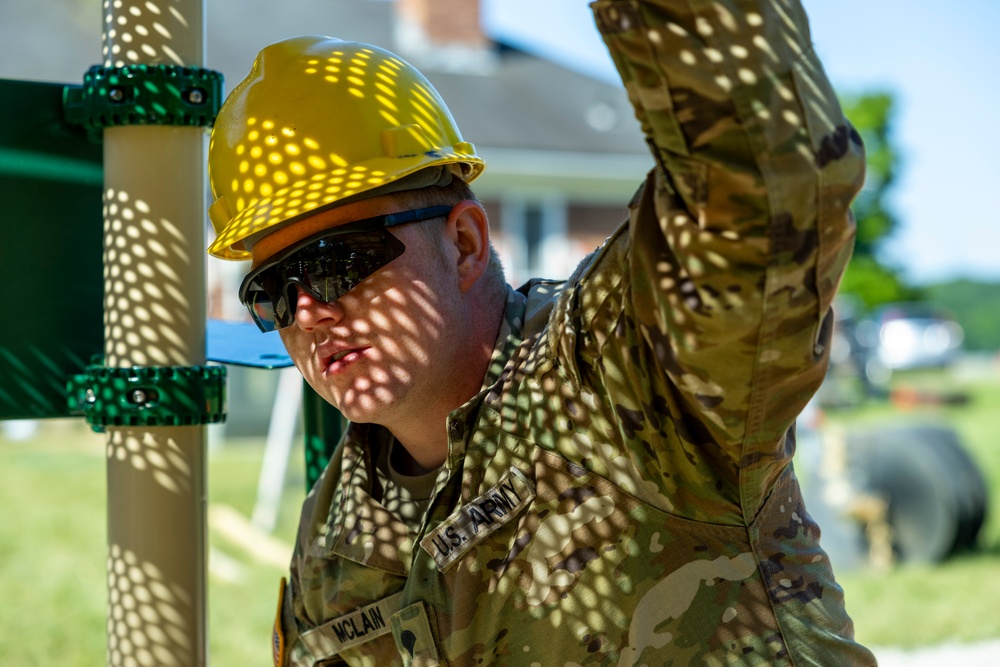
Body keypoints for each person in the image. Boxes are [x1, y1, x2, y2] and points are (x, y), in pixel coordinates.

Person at [207, 0, 875, 664]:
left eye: (336, 263)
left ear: (464, 243)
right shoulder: (337, 530)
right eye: (272, 291)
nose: (306, 312)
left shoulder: (622, 367)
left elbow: (764, 189)